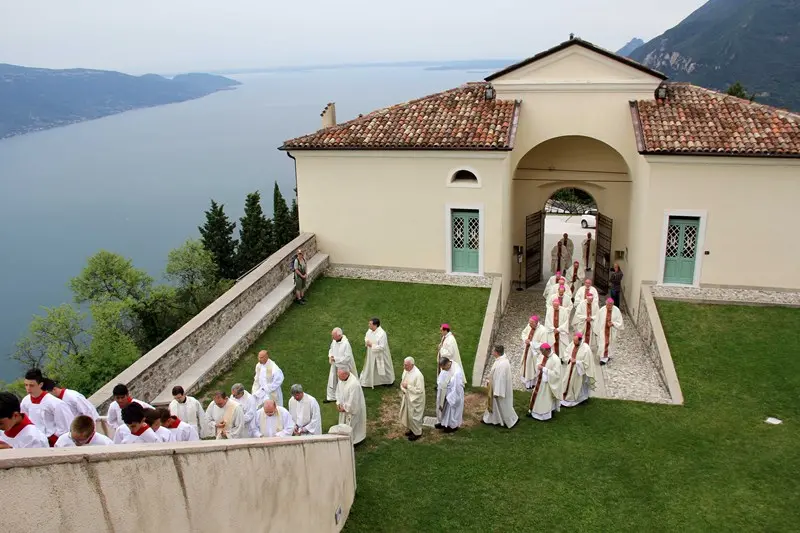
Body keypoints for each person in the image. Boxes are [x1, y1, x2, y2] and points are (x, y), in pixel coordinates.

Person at [20, 369, 73, 446]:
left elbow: (66, 427)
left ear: (40, 384)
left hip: (53, 443)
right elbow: (25, 421)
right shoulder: (25, 401)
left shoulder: (55, 403)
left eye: (31, 385)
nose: (28, 388)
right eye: (26, 385)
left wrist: (51, 440)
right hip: (34, 441)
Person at [482, 345, 518, 428]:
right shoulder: (501, 360)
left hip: (498, 389)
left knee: (501, 405)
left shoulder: (502, 364)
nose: (492, 352)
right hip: (496, 386)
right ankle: (491, 419)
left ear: (497, 353)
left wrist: (497, 392)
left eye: (493, 351)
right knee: (498, 405)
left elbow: (500, 379)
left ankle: (503, 420)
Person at [527, 343, 562, 421]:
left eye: (543, 351)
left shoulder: (555, 359)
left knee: (545, 399)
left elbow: (557, 375)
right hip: (540, 380)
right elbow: (538, 362)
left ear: (548, 350)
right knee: (536, 396)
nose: (541, 353)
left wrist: (544, 369)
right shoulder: (543, 355)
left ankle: (544, 415)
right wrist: (539, 365)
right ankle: (534, 411)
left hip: (548, 383)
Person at [561, 332, 596, 407]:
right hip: (570, 368)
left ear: (580, 340)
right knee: (568, 382)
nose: (574, 343)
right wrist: (570, 359)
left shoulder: (586, 349)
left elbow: (587, 363)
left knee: (578, 385)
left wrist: (577, 362)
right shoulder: (572, 344)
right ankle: (567, 395)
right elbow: (566, 353)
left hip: (579, 371)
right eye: (573, 341)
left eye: (576, 342)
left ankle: (580, 398)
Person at [335, 368, 367, 445]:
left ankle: (355, 440)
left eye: (340, 376)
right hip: (343, 408)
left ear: (346, 374)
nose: (339, 378)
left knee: (353, 426)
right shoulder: (342, 379)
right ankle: (344, 438)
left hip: (352, 410)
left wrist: (345, 408)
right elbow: (338, 392)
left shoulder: (354, 384)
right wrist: (338, 403)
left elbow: (354, 401)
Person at [361, 317, 395, 388]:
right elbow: (366, 337)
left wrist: (372, 345)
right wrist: (366, 341)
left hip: (381, 355)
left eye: (370, 324)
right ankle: (371, 380)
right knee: (371, 366)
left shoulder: (382, 334)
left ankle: (388, 381)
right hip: (371, 353)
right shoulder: (370, 331)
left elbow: (382, 347)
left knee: (384, 367)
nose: (368, 325)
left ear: (375, 325)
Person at [327, 328, 358, 402]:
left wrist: (336, 359)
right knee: (333, 380)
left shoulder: (346, 344)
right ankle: (332, 396)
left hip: (343, 367)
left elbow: (347, 358)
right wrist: (330, 356)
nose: (332, 337)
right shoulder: (334, 341)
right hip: (335, 365)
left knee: (343, 382)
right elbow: (331, 349)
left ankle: (344, 397)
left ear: (339, 335)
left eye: (333, 336)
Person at [398, 357, 425, 442]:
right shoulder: (406, 370)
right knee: (408, 415)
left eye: (406, 365)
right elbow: (403, 381)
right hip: (408, 397)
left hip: (415, 399)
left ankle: (417, 433)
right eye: (404, 364)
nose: (404, 367)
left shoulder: (418, 375)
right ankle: (411, 429)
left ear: (412, 365)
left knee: (414, 416)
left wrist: (408, 387)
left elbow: (419, 390)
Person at [435, 357, 464, 433]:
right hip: (446, 391)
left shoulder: (457, 372)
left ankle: (452, 426)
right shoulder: (446, 367)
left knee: (452, 411)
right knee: (444, 408)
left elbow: (457, 386)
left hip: (454, 393)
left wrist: (450, 397)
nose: (443, 370)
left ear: (448, 364)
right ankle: (443, 422)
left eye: (444, 368)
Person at [520, 315, 547, 389]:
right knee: (526, 364)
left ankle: (531, 383)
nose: (529, 324)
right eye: (529, 322)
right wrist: (525, 339)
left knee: (532, 367)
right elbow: (524, 333)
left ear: (536, 323)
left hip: (535, 352)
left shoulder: (543, 330)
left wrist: (531, 343)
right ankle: (526, 380)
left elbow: (543, 344)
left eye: (531, 323)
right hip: (527, 349)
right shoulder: (529, 326)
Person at [595, 297, 624, 365]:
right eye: (608, 304)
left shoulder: (616, 310)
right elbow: (597, 320)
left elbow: (620, 322)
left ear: (613, 304)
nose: (609, 306)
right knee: (603, 343)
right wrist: (596, 330)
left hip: (612, 331)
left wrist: (613, 323)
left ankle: (608, 355)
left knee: (610, 343)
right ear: (606, 303)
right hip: (602, 330)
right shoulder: (602, 310)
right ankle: (603, 358)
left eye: (611, 305)